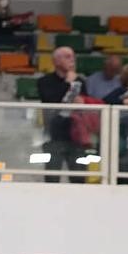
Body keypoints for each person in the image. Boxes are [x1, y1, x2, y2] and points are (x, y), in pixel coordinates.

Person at [37, 47, 88, 183]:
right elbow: (51, 100)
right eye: (67, 57)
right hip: (54, 135)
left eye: (72, 56)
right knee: (52, 176)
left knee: (79, 177)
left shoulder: (80, 81)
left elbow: (86, 104)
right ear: (56, 61)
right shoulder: (45, 81)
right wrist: (68, 83)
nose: (72, 60)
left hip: (76, 135)